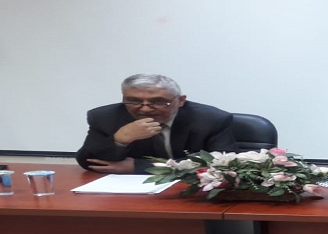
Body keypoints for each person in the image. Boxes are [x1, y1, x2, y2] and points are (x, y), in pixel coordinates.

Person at [76, 74, 237, 174]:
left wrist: (139, 167)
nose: (145, 109)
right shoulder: (104, 117)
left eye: (158, 101)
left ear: (180, 101)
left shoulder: (211, 119)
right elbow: (88, 161)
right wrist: (120, 139)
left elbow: (223, 163)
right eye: (134, 101)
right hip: (130, 193)